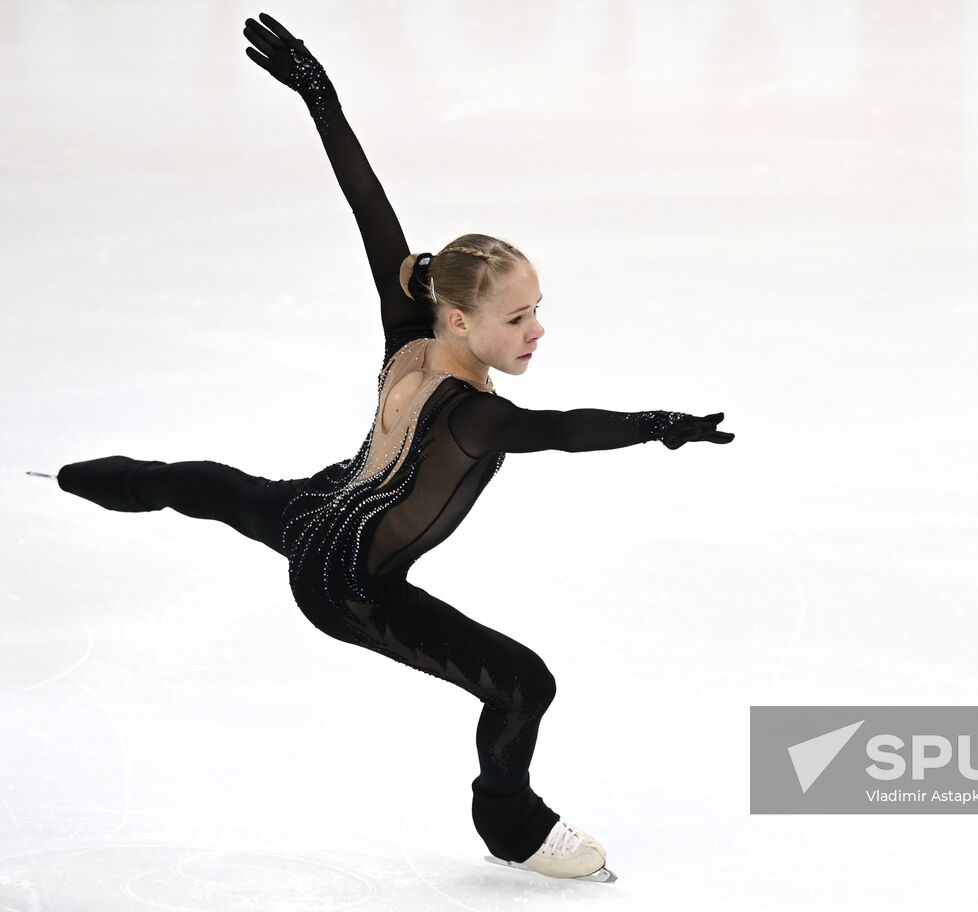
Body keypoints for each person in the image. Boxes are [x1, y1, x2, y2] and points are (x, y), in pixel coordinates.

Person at [52, 11, 733, 883]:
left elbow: (366, 203)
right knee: (524, 684)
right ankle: (511, 825)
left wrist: (320, 98)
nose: (536, 332)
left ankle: (74, 478)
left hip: (320, 507)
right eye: (517, 318)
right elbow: (558, 432)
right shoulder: (469, 415)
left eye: (535, 311)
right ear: (462, 318)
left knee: (207, 485)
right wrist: (654, 426)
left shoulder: (406, 325)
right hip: (349, 584)